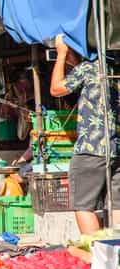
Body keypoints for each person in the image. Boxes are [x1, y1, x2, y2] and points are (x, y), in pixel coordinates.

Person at [50, 35, 120, 234]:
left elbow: (56, 89)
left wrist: (61, 55)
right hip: (116, 148)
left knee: (83, 205)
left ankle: (95, 254)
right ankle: (116, 255)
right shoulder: (115, 70)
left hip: (91, 148)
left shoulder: (90, 68)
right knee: (116, 206)